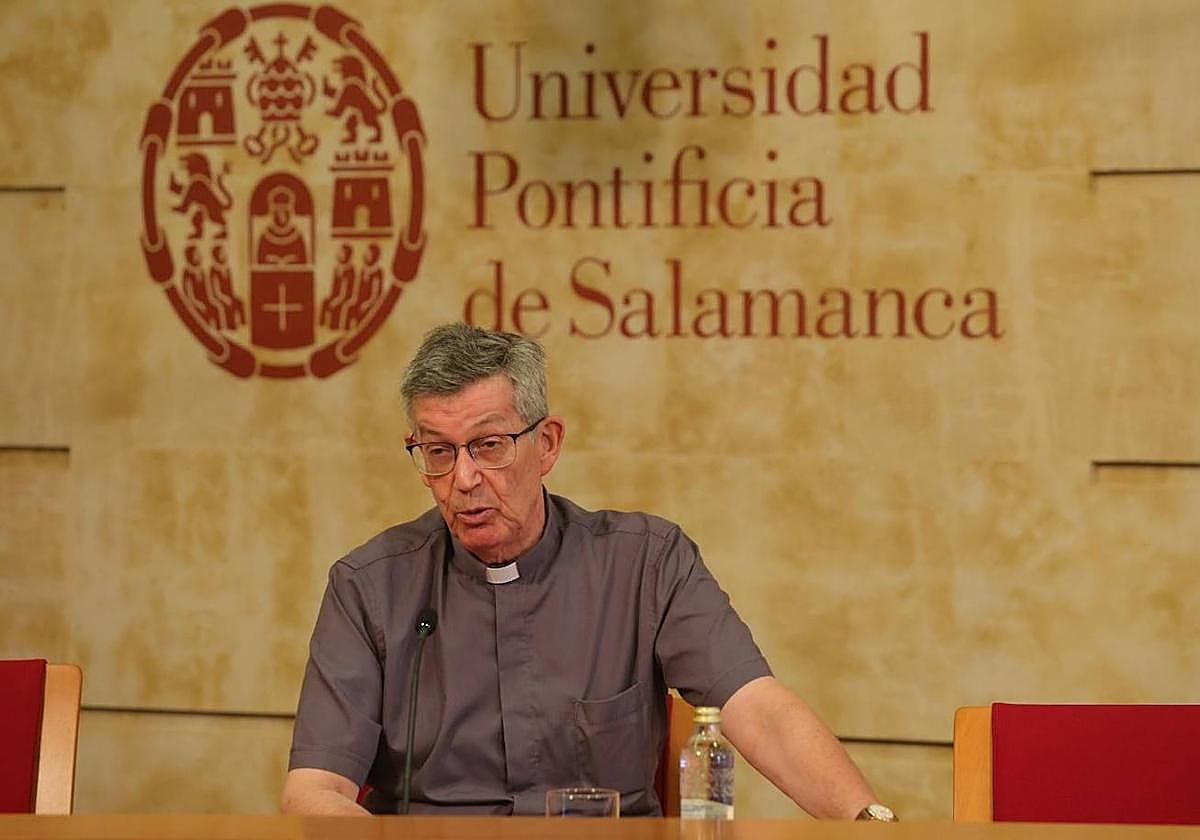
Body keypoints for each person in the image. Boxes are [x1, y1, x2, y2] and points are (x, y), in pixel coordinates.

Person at [282, 323, 892, 820]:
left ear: (546, 444)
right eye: (439, 452)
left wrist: (869, 823)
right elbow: (314, 793)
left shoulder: (645, 563)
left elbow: (758, 711)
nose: (464, 479)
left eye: (489, 445)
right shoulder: (369, 587)